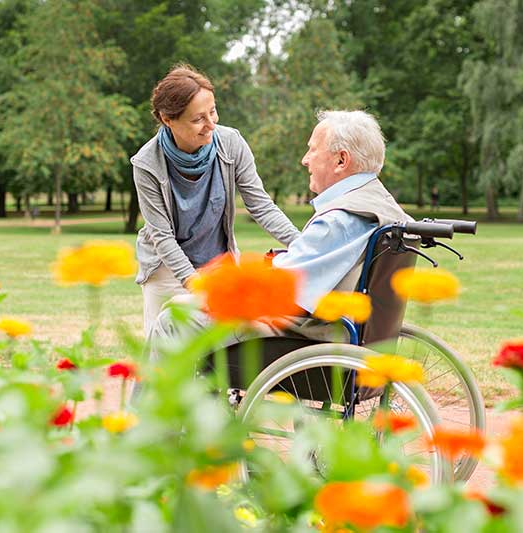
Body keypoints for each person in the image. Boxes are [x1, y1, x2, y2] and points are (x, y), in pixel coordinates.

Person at [149, 109, 412, 346]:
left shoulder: (341, 220)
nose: (305, 160)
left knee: (173, 318)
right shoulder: (380, 206)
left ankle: (149, 402)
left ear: (341, 161)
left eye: (313, 150)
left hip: (301, 336)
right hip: (335, 329)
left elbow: (281, 290)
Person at [131, 65, 300, 335]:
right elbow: (162, 236)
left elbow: (261, 206)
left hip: (220, 267)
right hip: (167, 271)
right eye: (198, 119)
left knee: (223, 356)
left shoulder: (230, 144)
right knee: (166, 363)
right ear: (167, 119)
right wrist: (196, 285)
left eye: (213, 111)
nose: (211, 124)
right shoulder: (147, 163)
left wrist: (305, 246)